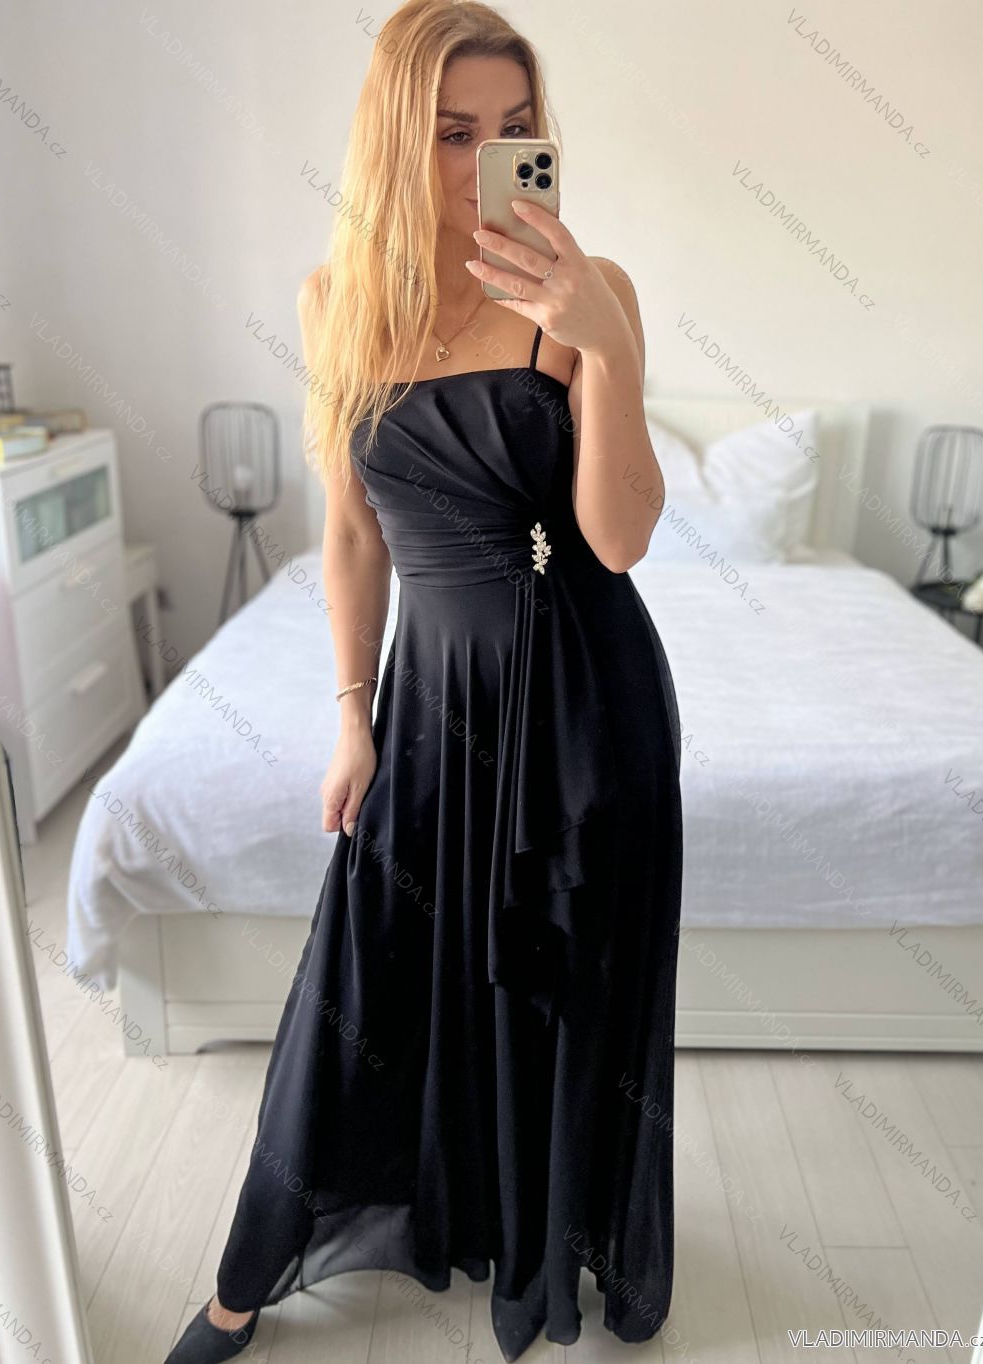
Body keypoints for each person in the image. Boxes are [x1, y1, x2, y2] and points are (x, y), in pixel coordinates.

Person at [163, 2, 683, 1360]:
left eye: (515, 129)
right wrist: (352, 716)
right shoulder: (334, 300)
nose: (484, 160)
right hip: (427, 700)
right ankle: (244, 1282)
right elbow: (351, 534)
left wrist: (606, 345)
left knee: (559, 990)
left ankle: (540, 1244)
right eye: (454, 132)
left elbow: (619, 539)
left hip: (580, 700)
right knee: (363, 974)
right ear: (394, 137)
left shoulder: (591, 291)